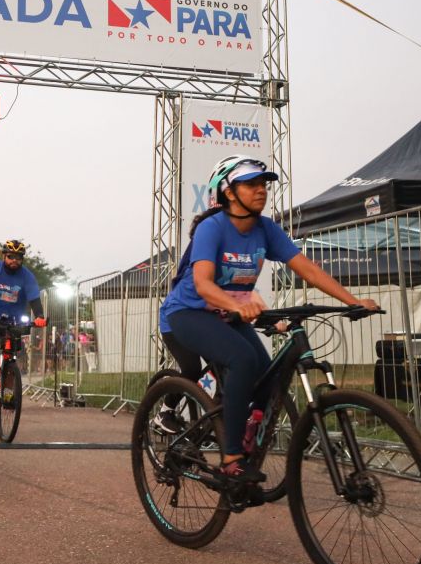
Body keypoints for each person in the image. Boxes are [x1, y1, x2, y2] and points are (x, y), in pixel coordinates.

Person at [159, 155, 378, 484]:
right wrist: (236, 304)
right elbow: (203, 284)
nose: (261, 190)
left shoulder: (266, 229)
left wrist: (352, 301)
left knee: (268, 377)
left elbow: (308, 270)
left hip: (228, 313)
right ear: (229, 192)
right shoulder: (212, 227)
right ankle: (231, 458)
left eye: (263, 184)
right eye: (250, 184)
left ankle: (248, 429)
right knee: (242, 359)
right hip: (189, 311)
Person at [0, 239, 46, 399]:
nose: (14, 261)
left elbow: (34, 299)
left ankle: (7, 391)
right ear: (4, 256)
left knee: (11, 355)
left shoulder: (26, 275)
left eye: (18, 258)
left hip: (14, 321)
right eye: (11, 257)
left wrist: (40, 316)